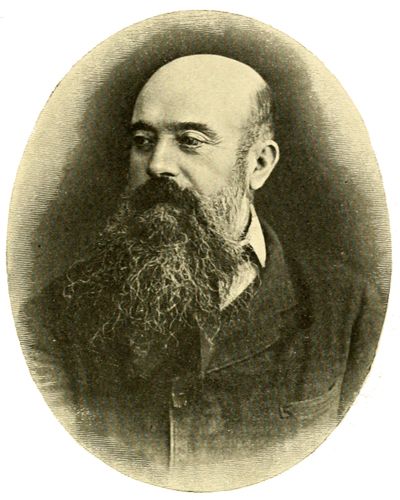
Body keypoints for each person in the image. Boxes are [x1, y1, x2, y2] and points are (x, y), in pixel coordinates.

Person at [24, 54, 385, 491]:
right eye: (143, 140)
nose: (157, 164)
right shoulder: (52, 317)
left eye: (190, 141)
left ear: (258, 164)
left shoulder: (350, 309)